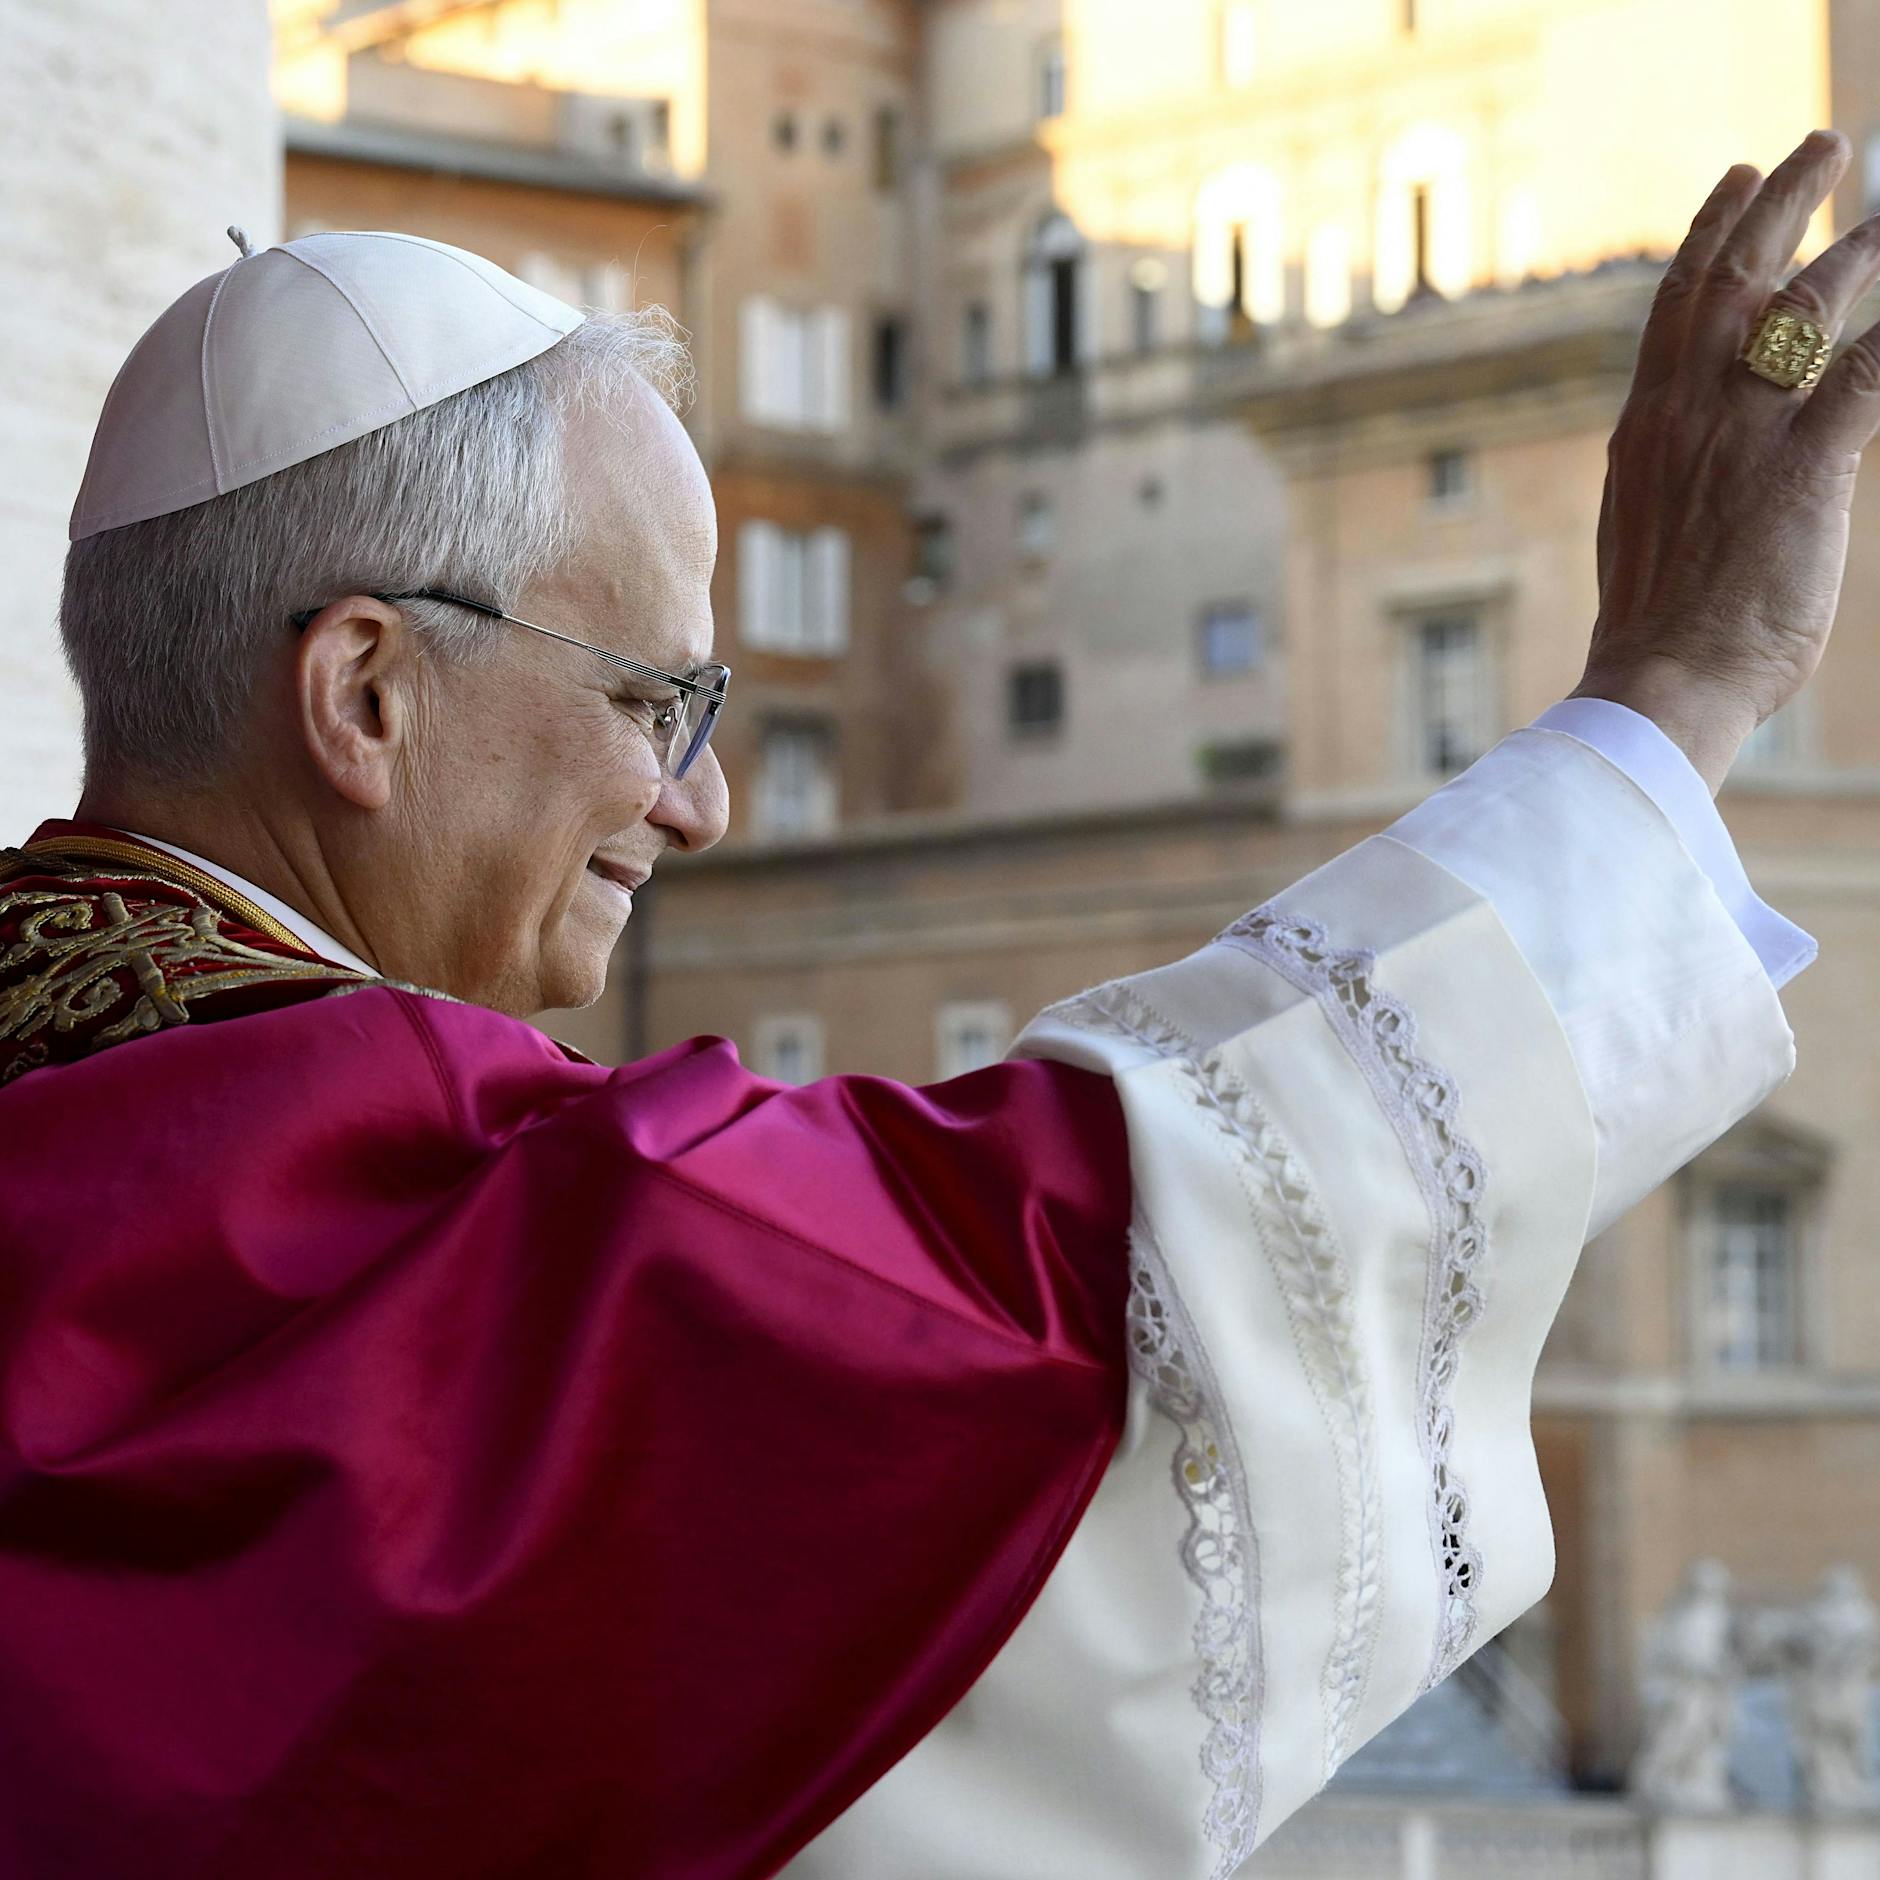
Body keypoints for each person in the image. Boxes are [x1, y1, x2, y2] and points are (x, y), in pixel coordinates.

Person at [0, 130, 1872, 1877]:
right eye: (656, 700)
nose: (702, 803)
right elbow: (1081, 1288)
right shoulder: (394, 1197)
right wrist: (1678, 689)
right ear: (366, 698)